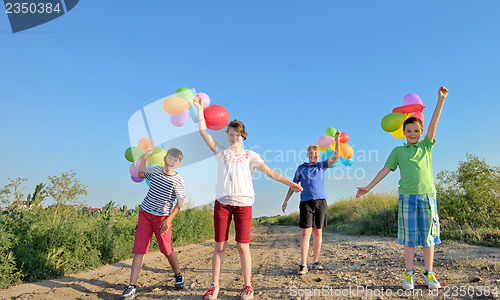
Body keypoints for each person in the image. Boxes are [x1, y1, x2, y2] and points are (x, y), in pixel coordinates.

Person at [193, 96, 303, 300]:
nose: (233, 137)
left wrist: (290, 183)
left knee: (243, 246)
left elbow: (270, 172)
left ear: (243, 135)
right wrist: (200, 109)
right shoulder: (221, 152)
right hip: (222, 204)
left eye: (236, 134)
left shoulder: (251, 156)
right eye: (230, 134)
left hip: (244, 204)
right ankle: (214, 286)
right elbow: (203, 132)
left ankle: (248, 287)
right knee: (219, 246)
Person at [356, 86, 449, 290]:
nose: (412, 133)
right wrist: (368, 188)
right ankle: (408, 274)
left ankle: (429, 273)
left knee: (427, 238)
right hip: (407, 198)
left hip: (427, 197)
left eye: (416, 131)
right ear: (403, 133)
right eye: (409, 131)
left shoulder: (426, 146)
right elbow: (384, 170)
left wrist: (440, 100)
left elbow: (434, 123)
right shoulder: (398, 151)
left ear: (421, 133)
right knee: (409, 238)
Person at [121, 147, 186, 299]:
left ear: (178, 164)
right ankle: (132, 286)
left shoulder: (178, 180)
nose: (172, 161)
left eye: (175, 160)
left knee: (166, 249)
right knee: (140, 249)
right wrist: (144, 157)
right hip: (145, 214)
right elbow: (140, 173)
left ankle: (178, 275)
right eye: (170, 158)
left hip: (162, 218)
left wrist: (168, 220)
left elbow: (179, 203)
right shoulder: (155, 171)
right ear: (165, 158)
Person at [282, 131, 340, 275]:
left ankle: (315, 261)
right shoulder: (301, 168)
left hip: (320, 202)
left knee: (318, 232)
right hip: (306, 203)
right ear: (307, 155)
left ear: (319, 155)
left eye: (316, 153)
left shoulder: (321, 166)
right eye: (311, 153)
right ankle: (303, 264)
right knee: (305, 232)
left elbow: (336, 156)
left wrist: (337, 139)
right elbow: (293, 184)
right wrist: (286, 201)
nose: (313, 155)